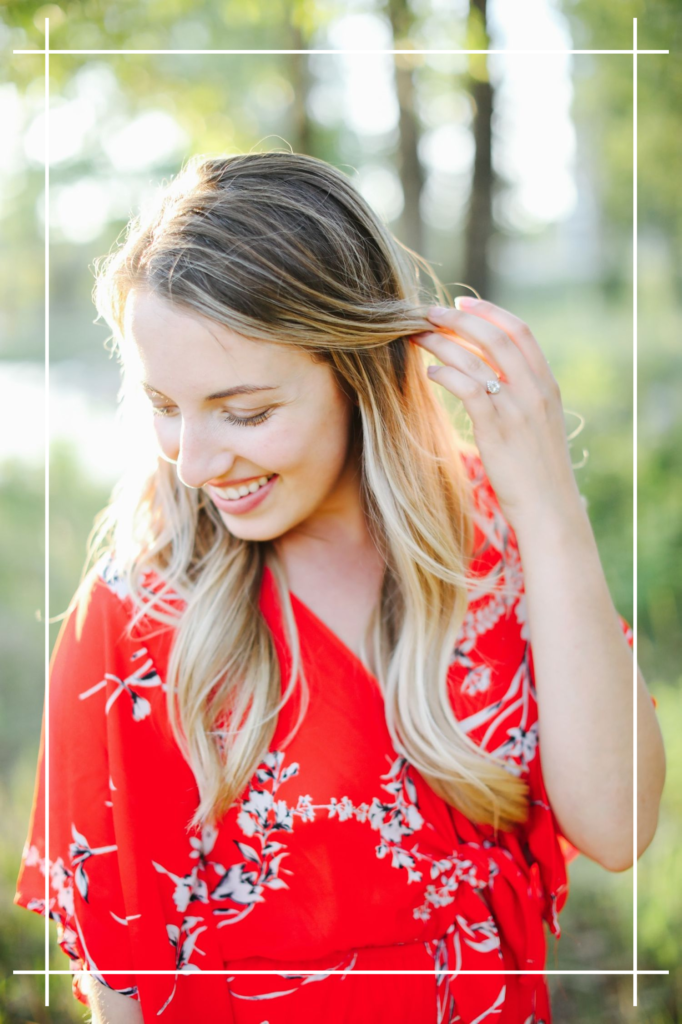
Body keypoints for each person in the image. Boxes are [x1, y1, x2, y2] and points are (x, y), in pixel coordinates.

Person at [14, 151, 665, 1024]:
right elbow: (119, 993)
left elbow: (619, 828)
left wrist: (546, 499)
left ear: (362, 375)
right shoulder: (136, 615)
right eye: (163, 403)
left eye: (245, 413)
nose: (196, 462)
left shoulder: (496, 533)